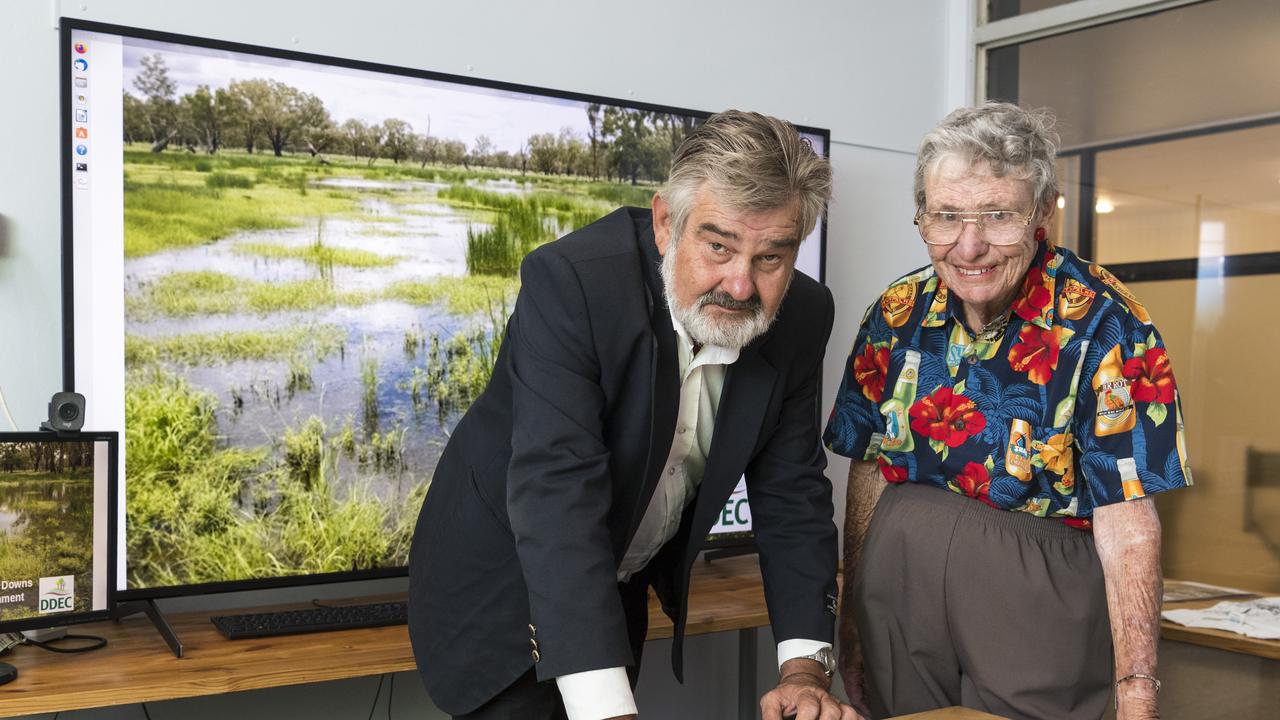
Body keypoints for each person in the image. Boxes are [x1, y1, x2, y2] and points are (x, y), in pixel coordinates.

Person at [409, 110, 858, 720]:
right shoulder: (571, 282)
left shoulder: (803, 315)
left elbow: (792, 492)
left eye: (771, 258)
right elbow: (556, 494)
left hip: (616, 586)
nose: (741, 286)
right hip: (500, 585)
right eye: (719, 246)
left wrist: (805, 671)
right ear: (667, 222)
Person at [825, 102, 1192, 720]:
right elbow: (866, 473)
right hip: (900, 577)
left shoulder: (1107, 322)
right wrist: (854, 619)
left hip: (1034, 586)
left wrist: (1137, 689)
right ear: (922, 215)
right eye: (946, 216)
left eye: (998, 214)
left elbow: (1127, 518)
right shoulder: (895, 312)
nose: (970, 245)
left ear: (1043, 211)